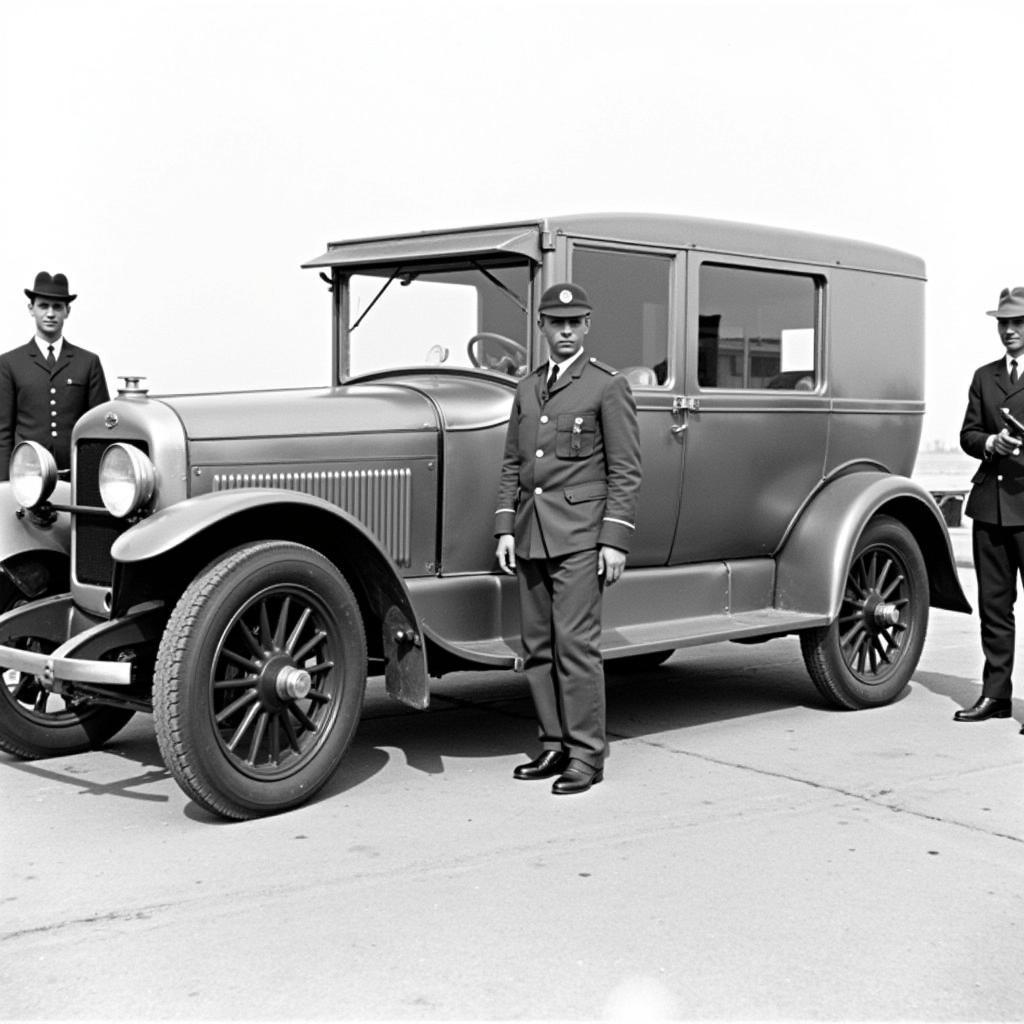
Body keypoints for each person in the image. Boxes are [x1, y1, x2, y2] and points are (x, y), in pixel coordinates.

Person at [494, 282, 642, 793]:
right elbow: (514, 464)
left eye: (574, 322)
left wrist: (614, 540)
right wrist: (504, 529)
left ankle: (586, 756)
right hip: (531, 534)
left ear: (586, 327)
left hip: (580, 537)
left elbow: (625, 470)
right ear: (541, 327)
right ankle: (554, 745)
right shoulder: (527, 388)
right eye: (556, 323)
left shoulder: (605, 386)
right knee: (537, 647)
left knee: (576, 646)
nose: (565, 331)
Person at [957, 285, 1024, 732]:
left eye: (1017, 323)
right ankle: (996, 695)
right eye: (1003, 323)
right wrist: (989, 442)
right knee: (993, 607)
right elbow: (968, 434)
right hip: (991, 508)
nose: (1010, 331)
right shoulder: (985, 376)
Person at [0, 272, 109, 481]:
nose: (50, 314)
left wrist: (92, 483)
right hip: (26, 480)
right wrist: (4, 486)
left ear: (67, 311)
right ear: (31, 309)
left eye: (57, 307)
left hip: (74, 479)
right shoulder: (9, 363)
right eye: (43, 306)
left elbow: (99, 430)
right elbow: (3, 434)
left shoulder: (88, 363)